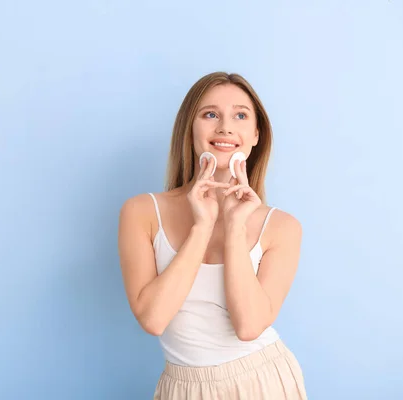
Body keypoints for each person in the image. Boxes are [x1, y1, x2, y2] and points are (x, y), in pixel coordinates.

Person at [117, 72, 308, 399]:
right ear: (189, 128)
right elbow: (153, 318)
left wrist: (234, 227)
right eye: (210, 114)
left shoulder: (282, 227)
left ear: (256, 134)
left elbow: (249, 327)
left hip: (262, 382)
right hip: (182, 387)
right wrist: (201, 226)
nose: (225, 127)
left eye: (240, 115)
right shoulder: (141, 212)